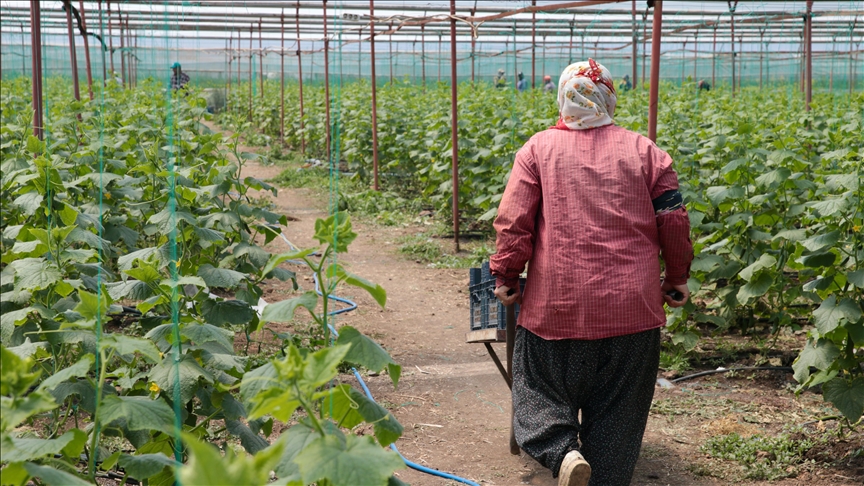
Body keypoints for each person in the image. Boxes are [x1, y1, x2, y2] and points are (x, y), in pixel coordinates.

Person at [490, 59, 693, 486]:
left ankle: (563, 453)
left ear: (563, 98)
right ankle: (605, 475)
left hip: (556, 311)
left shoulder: (537, 150)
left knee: (538, 395)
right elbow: (674, 219)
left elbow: (514, 223)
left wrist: (506, 276)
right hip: (632, 314)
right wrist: (676, 276)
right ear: (609, 99)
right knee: (619, 415)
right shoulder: (646, 152)